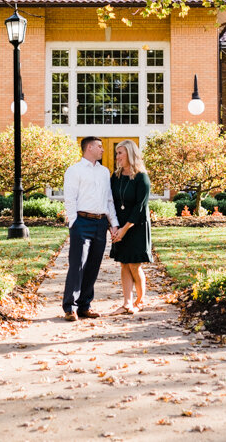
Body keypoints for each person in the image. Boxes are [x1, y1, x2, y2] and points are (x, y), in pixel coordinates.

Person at [62, 136, 119, 321]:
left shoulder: (104, 172)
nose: (103, 150)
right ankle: (70, 306)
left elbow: (109, 200)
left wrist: (113, 223)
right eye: (99, 147)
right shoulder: (74, 170)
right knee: (77, 265)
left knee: (93, 265)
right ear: (89, 148)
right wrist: (74, 222)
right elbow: (70, 198)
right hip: (82, 222)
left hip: (100, 223)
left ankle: (85, 306)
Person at [109, 139, 153, 315]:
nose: (117, 156)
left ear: (130, 154)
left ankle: (140, 301)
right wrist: (113, 227)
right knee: (124, 264)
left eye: (120, 153)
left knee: (134, 265)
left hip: (136, 225)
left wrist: (124, 230)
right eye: (117, 153)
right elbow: (110, 201)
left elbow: (139, 207)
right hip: (119, 225)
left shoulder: (142, 177)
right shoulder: (116, 176)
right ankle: (126, 303)